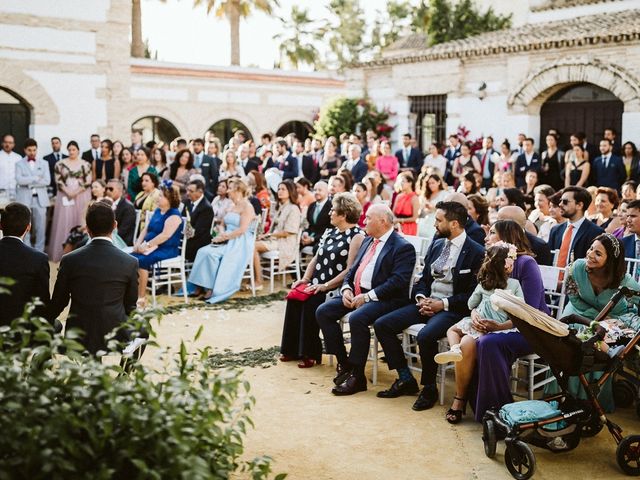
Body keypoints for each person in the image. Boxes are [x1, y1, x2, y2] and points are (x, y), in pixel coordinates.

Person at [373, 201, 484, 408]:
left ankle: (429, 388)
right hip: (425, 304)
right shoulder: (437, 244)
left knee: (425, 336)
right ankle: (405, 377)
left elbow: (471, 295)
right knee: (382, 324)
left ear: (454, 224)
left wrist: (442, 304)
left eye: (438, 220)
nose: (434, 224)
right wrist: (421, 298)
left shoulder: (476, 252)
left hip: (452, 310)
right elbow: (422, 278)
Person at [316, 204, 416, 396]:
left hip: (386, 299)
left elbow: (398, 282)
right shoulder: (368, 240)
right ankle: (345, 364)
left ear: (383, 221)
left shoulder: (402, 247)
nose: (364, 221)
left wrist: (367, 296)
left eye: (368, 218)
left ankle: (357, 376)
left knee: (357, 318)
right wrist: (346, 289)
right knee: (323, 311)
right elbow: (352, 270)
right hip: (357, 293)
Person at [468, 218, 549, 422]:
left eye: (492, 233)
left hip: (531, 329)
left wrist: (500, 327)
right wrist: (475, 315)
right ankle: (476, 401)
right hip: (497, 326)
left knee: (488, 342)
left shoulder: (526, 264)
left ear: (506, 238)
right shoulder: (492, 261)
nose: (486, 238)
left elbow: (529, 310)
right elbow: (480, 298)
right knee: (469, 340)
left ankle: (500, 409)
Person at [435, 242, 523, 423]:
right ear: (506, 265)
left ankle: (454, 351)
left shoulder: (484, 284)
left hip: (497, 328)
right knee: (466, 341)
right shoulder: (513, 284)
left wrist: (495, 325)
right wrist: (475, 314)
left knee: (456, 333)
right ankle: (460, 397)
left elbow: (519, 314)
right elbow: (518, 306)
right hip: (481, 324)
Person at [554, 234, 640, 411]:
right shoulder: (576, 268)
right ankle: (565, 394)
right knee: (572, 329)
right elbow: (572, 295)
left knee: (599, 334)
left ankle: (592, 400)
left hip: (612, 318)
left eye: (598, 253)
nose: (591, 254)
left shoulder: (624, 280)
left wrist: (618, 319)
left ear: (610, 261)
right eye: (591, 248)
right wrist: (595, 317)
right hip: (579, 310)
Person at [280, 193, 365, 367]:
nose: (330, 213)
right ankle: (291, 350)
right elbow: (316, 259)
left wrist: (325, 286)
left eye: (333, 210)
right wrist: (304, 279)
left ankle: (310, 353)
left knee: (311, 302)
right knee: (294, 299)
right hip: (317, 282)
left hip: (337, 286)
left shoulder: (356, 236)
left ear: (343, 215)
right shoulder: (329, 232)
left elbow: (350, 270)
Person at [47, 202, 138, 354]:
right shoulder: (130, 262)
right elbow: (130, 307)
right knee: (144, 332)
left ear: (87, 228)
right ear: (115, 225)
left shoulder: (70, 260)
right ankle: (123, 375)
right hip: (115, 337)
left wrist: (46, 321)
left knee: (54, 324)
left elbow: (59, 302)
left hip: (78, 336)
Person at [188, 178, 256, 303]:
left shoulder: (247, 206)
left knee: (212, 254)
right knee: (202, 251)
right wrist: (221, 231)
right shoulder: (232, 205)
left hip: (239, 241)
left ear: (238, 190)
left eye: (230, 188)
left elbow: (242, 229)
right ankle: (199, 286)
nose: (228, 191)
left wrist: (224, 237)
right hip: (226, 236)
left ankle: (211, 289)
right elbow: (222, 223)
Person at [130, 184, 183, 308]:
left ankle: (141, 299)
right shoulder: (158, 210)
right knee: (129, 259)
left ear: (170, 199)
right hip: (150, 247)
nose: (157, 198)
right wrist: (138, 243)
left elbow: (165, 236)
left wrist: (147, 245)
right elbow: (146, 229)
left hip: (166, 249)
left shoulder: (174, 215)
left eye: (161, 196)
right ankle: (131, 294)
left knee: (141, 261)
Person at [0, 202, 50, 325]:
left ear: (1, 226)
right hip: (23, 327)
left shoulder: (39, 259)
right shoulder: (39, 259)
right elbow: (42, 303)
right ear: (28, 227)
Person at [253, 180, 302, 290]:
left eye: (283, 189)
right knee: (250, 244)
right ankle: (253, 278)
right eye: (279, 189)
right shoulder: (281, 206)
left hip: (285, 242)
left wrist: (268, 235)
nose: (280, 191)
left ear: (290, 191)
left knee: (252, 247)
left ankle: (258, 281)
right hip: (275, 240)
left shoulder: (293, 208)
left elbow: (289, 232)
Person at [549, 186, 605, 268]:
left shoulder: (596, 232)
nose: (560, 204)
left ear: (579, 205)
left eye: (565, 202)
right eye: (560, 201)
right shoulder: (556, 230)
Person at [15, 139, 50, 253]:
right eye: (29, 150)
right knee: (25, 226)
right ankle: (27, 252)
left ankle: (40, 252)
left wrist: (28, 181)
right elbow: (19, 180)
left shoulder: (44, 163)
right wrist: (35, 178)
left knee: (41, 228)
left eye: (34, 150)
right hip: (24, 199)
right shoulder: (19, 164)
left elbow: (47, 181)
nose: (32, 152)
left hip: (40, 200)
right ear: (25, 150)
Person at [182, 179, 214, 263]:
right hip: (188, 236)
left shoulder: (206, 208)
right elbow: (182, 219)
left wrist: (184, 235)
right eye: (187, 190)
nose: (187, 193)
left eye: (191, 191)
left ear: (200, 192)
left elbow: (199, 231)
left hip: (198, 242)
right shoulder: (187, 202)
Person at [301, 181, 331, 253]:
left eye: (320, 190)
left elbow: (330, 229)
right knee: (295, 243)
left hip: (324, 238)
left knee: (317, 249)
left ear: (327, 192)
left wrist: (313, 239)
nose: (317, 192)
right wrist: (306, 233)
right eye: (315, 190)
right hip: (311, 236)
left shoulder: (331, 206)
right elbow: (310, 225)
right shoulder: (312, 206)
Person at [417, 173, 447, 241]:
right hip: (423, 221)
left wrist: (434, 208)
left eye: (433, 183)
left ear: (439, 182)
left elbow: (445, 209)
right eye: (429, 183)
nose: (431, 185)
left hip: (435, 222)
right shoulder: (425, 195)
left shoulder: (444, 194)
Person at [106, 179, 136, 246]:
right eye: (106, 188)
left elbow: (123, 231)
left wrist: (106, 238)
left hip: (121, 241)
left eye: (111, 189)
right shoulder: (107, 204)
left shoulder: (128, 207)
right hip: (108, 239)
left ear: (119, 190)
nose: (107, 191)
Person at [392, 171, 419, 235]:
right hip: (396, 226)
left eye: (403, 181)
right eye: (400, 182)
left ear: (410, 183)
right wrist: (396, 221)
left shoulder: (414, 198)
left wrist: (400, 220)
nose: (401, 184)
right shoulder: (399, 196)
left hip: (409, 228)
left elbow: (415, 218)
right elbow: (393, 212)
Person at [0, 134, 22, 204]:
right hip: (1, 191)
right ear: (2, 143)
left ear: (13, 144)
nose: (7, 144)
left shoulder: (18, 158)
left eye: (10, 143)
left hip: (15, 192)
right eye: (6, 142)